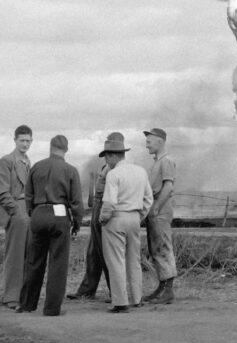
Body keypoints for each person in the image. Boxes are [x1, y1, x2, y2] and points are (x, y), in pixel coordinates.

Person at [17, 134, 83, 316]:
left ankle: (26, 304)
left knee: (33, 261)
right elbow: (76, 201)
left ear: (50, 147)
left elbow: (28, 195)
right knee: (57, 264)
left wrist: (33, 214)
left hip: (38, 215)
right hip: (59, 216)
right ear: (66, 150)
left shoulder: (36, 167)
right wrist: (77, 223)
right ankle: (52, 309)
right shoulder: (70, 170)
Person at [99, 133, 153, 313]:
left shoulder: (113, 174)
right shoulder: (140, 171)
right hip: (134, 219)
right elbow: (148, 199)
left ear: (114, 155)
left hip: (116, 218)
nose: (106, 159)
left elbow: (110, 203)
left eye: (107, 155)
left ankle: (121, 302)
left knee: (116, 261)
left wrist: (103, 219)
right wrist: (139, 216)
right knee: (134, 260)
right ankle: (137, 298)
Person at [67, 133, 120, 302]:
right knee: (93, 253)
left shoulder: (116, 169)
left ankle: (116, 292)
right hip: (98, 208)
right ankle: (87, 290)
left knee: (106, 252)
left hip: (104, 210)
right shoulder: (108, 167)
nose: (106, 155)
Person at [0, 124, 33, 310]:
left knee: (27, 255)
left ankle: (23, 294)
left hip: (28, 211)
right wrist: (16, 211)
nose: (25, 144)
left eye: (28, 141)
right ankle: (11, 297)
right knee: (15, 255)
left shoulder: (27, 161)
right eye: (22, 140)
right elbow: (1, 190)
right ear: (14, 140)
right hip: (16, 211)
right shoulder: (6, 161)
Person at [142, 127, 178, 304]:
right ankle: (162, 287)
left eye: (149, 141)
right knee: (155, 248)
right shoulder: (157, 162)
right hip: (155, 208)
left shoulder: (166, 161)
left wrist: (156, 207)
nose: (146, 144)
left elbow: (168, 187)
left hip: (160, 209)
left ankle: (168, 291)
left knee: (163, 247)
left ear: (159, 141)